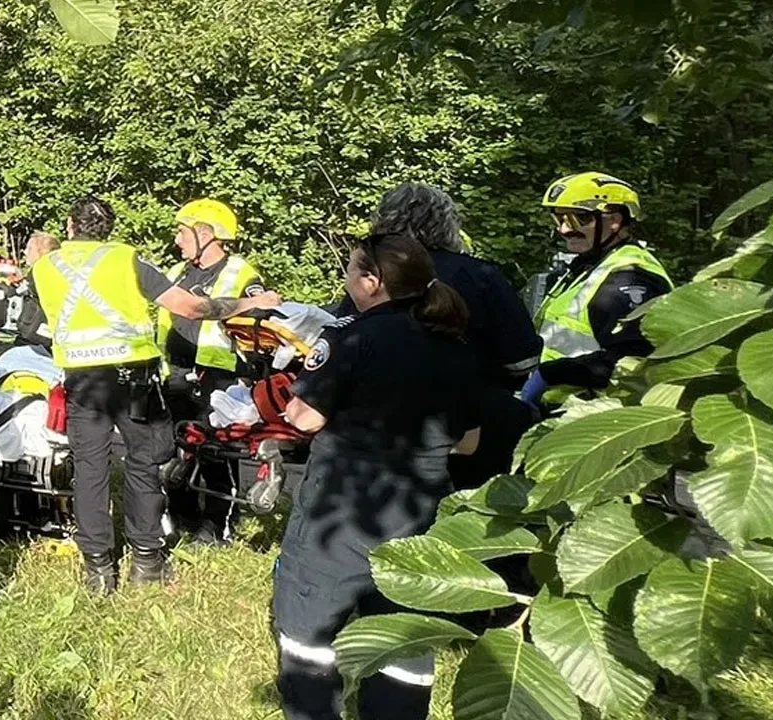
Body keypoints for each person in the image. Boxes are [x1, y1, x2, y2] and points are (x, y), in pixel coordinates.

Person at [273, 231, 481, 720]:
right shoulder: (456, 346)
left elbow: (304, 419)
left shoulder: (351, 337)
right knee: (404, 637)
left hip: (342, 512)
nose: (346, 279)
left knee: (310, 631)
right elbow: (469, 441)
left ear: (372, 282)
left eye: (350, 270)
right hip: (420, 514)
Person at [32, 195, 281, 595]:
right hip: (135, 381)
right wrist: (251, 302)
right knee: (144, 465)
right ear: (108, 229)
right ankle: (147, 561)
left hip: (82, 382)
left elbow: (32, 321)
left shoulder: (44, 266)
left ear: (69, 225)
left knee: (90, 472)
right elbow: (191, 307)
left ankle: (98, 571)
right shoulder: (126, 258)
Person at [342, 183, 540, 489]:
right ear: (448, 223)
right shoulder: (482, 276)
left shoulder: (370, 276)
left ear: (383, 222)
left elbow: (345, 340)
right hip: (474, 426)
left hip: (379, 430)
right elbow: (521, 359)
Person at [156, 199, 266, 545]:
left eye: (182, 232)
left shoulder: (241, 273)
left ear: (206, 234)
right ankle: (183, 514)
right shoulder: (176, 273)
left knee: (217, 455)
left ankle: (218, 526)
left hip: (218, 377)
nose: (177, 240)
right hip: (174, 372)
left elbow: (262, 318)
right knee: (175, 450)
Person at [524, 171, 674, 406]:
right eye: (559, 219)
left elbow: (633, 360)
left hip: (590, 414)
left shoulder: (629, 277)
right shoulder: (589, 264)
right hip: (555, 408)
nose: (564, 230)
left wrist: (550, 374)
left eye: (576, 220)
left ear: (613, 220)